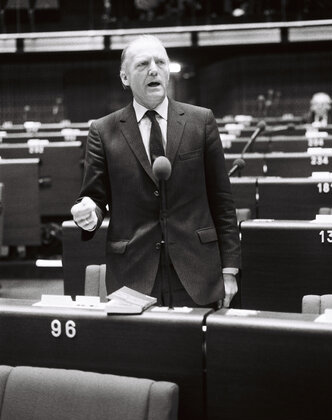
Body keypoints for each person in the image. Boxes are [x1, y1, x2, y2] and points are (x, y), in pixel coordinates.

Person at [71, 35, 241, 308]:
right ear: (125, 77)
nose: (154, 69)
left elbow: (222, 200)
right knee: (139, 350)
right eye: (142, 64)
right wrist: (88, 214)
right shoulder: (103, 131)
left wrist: (229, 269)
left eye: (161, 62)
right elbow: (94, 198)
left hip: (198, 271)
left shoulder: (202, 121)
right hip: (132, 273)